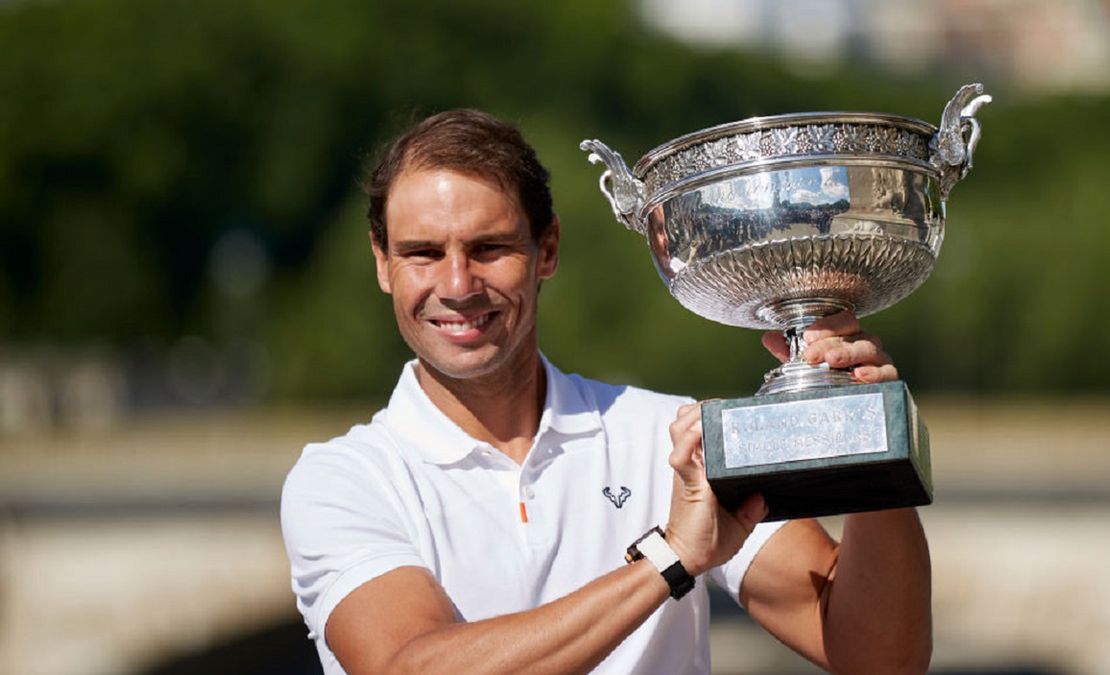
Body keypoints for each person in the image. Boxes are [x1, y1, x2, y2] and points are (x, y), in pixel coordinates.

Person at [280, 109, 931, 675]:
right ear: (381, 263)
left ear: (548, 249)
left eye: (489, 247)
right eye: (423, 251)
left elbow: (882, 657)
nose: (457, 283)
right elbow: (410, 665)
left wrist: (869, 441)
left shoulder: (668, 437)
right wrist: (669, 558)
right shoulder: (344, 478)